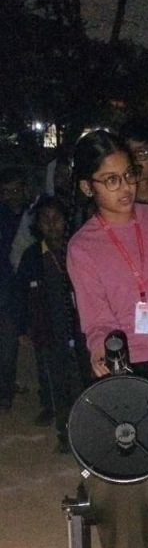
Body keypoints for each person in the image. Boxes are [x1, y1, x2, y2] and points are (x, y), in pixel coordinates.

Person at [67, 129, 148, 548]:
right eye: (109, 180)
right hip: (123, 367)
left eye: (128, 175)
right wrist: (100, 347)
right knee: (135, 476)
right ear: (87, 186)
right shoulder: (83, 245)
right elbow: (94, 318)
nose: (124, 187)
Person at [15, 195, 90, 447]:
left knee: (82, 381)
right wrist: (23, 328)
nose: (51, 224)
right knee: (56, 382)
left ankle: (86, 432)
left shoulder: (77, 250)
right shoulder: (32, 256)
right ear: (37, 224)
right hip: (48, 331)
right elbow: (20, 294)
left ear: (65, 220)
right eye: (45, 219)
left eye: (56, 218)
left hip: (80, 331)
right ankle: (65, 434)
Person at [0, 168, 27, 410]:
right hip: (5, 289)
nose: (12, 195)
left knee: (11, 344)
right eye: (7, 191)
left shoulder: (33, 216)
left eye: (17, 190)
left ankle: (6, 391)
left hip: (25, 290)